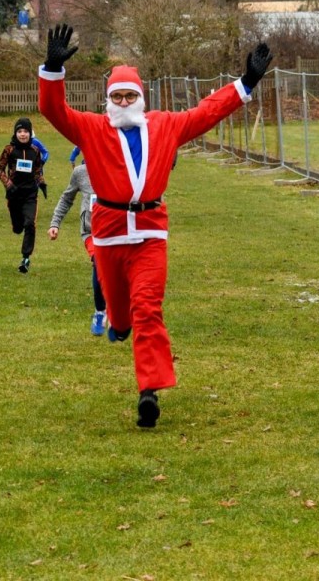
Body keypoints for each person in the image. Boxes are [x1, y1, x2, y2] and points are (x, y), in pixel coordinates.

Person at [38, 23, 272, 429]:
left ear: (141, 99)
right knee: (122, 314)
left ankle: (149, 392)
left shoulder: (164, 125)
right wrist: (52, 70)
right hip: (108, 231)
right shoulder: (92, 128)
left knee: (147, 308)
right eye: (117, 95)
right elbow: (53, 111)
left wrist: (246, 81)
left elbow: (206, 112)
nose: (124, 101)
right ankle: (119, 322)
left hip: (150, 231)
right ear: (108, 100)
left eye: (130, 95)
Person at [48, 150, 106, 336]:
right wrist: (55, 223)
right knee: (99, 265)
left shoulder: (117, 169)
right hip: (90, 231)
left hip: (114, 231)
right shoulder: (80, 173)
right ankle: (100, 312)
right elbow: (67, 198)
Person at [0, 117, 47, 273]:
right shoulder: (9, 150)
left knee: (30, 223)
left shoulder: (35, 151)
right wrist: (8, 184)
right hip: (14, 194)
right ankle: (17, 226)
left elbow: (37, 169)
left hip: (30, 193)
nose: (23, 134)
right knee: (18, 228)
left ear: (30, 133)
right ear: (15, 133)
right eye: (19, 131)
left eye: (26, 131)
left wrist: (42, 182)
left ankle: (25, 258)